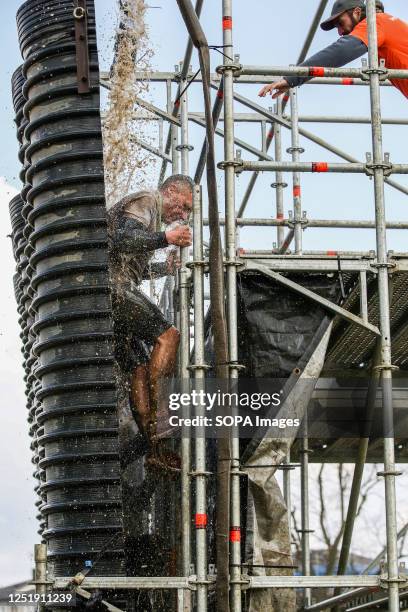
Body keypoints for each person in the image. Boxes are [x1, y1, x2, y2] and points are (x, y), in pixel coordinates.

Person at [108, 175, 193, 457]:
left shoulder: (152, 217)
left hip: (112, 287)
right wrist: (165, 238)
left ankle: (153, 446)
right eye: (183, 206)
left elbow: (135, 267)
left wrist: (163, 270)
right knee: (169, 337)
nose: (182, 215)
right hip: (112, 287)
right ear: (170, 191)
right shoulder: (147, 200)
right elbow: (123, 240)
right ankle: (161, 416)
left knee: (140, 368)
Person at [258, 0, 408, 101]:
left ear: (356, 12)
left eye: (341, 23)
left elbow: (341, 51)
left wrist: (292, 78)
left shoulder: (375, 22)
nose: (340, 32)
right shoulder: (387, 23)